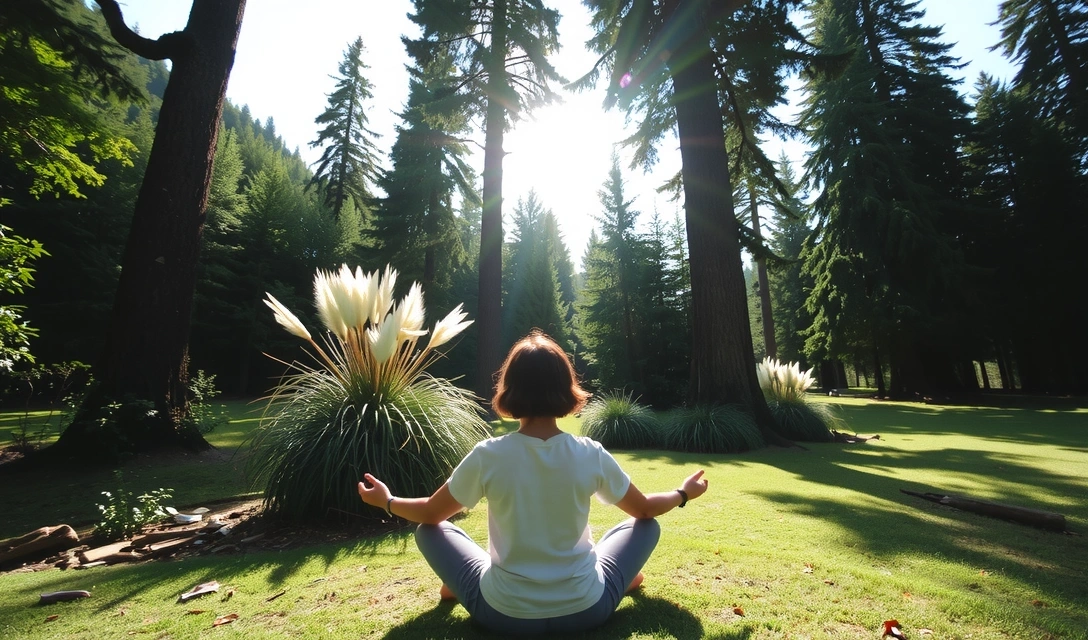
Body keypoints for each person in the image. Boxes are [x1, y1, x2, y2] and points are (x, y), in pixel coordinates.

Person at [357, 330, 709, 634]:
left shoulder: (489, 454)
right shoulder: (589, 452)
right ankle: (615, 582)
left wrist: (388, 501)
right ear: (567, 388)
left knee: (430, 531)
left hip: (503, 615)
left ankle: (459, 584)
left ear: (509, 389)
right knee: (643, 526)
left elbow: (431, 513)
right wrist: (682, 493)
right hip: (587, 610)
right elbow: (646, 509)